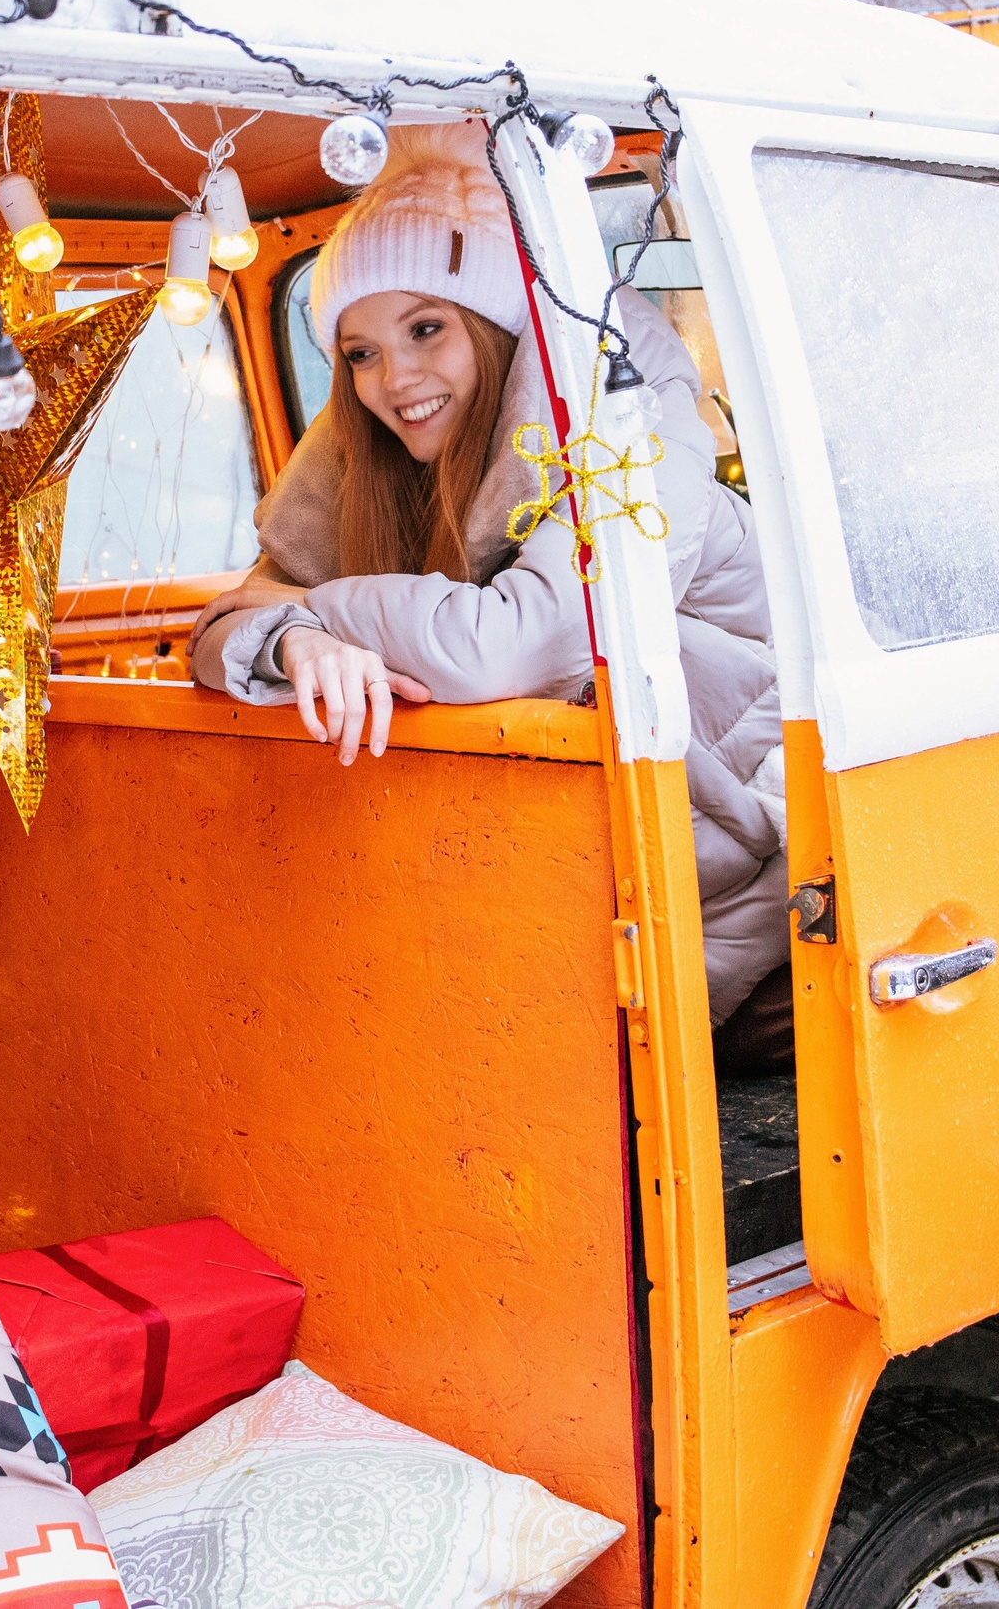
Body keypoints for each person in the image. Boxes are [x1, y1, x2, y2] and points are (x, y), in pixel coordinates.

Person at [189, 123, 794, 1067]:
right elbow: (226, 623)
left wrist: (322, 609)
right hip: (580, 900)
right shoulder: (379, 459)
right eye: (361, 354)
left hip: (761, 902)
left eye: (426, 329)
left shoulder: (635, 429)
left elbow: (508, 648)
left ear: (498, 323)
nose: (396, 381)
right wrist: (293, 645)